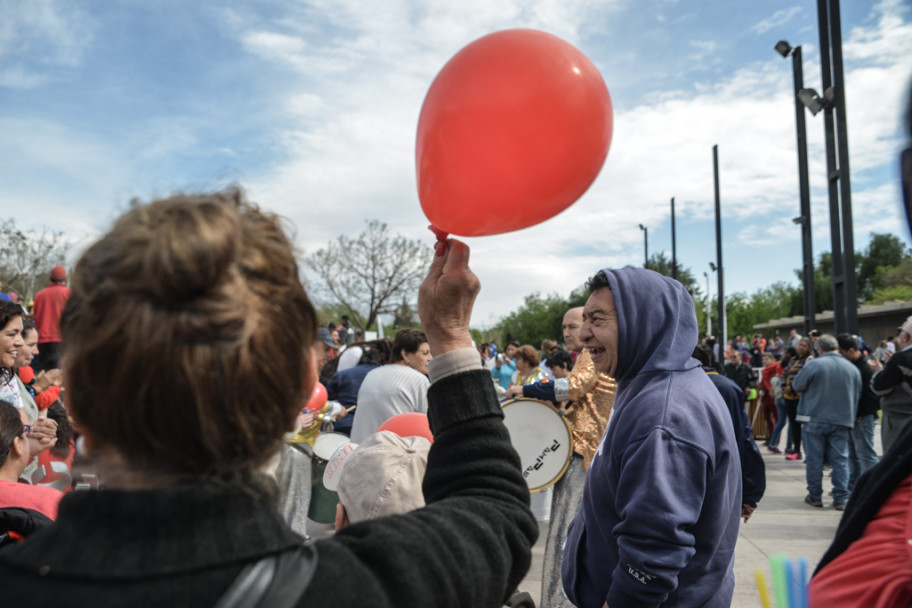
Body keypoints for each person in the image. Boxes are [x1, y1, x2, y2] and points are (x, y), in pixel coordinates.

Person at [0, 190, 538, 606]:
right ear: (302, 390)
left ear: (79, 399)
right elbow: (495, 507)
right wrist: (450, 336)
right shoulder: (365, 591)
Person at [561, 268, 741, 608]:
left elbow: (653, 555)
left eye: (597, 320)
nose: (584, 334)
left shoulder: (663, 414)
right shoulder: (649, 384)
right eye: (583, 320)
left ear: (642, 321)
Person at [505, 306, 616, 608]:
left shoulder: (591, 356)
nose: (568, 333)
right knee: (566, 535)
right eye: (564, 327)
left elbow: (573, 387)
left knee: (568, 538)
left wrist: (524, 390)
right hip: (578, 456)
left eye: (574, 325)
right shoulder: (586, 357)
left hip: (585, 459)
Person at [693, 345, 766, 522]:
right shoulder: (726, 386)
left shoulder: (702, 385)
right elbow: (744, 438)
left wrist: (749, 493)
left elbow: (741, 437)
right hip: (719, 480)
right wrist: (750, 493)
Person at [791, 334, 861, 510]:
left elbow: (797, 385)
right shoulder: (852, 368)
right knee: (840, 460)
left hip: (814, 417)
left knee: (814, 460)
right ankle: (841, 498)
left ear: (819, 348)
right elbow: (857, 393)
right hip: (842, 419)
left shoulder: (814, 364)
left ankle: (815, 496)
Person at [349, 328, 431, 443]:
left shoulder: (371, 374)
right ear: (405, 354)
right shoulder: (419, 380)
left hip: (358, 451)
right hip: (392, 455)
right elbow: (428, 426)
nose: (430, 358)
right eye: (425, 353)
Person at [836, 333, 881, 490]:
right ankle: (854, 486)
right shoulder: (854, 366)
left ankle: (873, 487)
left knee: (865, 455)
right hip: (853, 417)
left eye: (840, 352)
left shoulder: (864, 369)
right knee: (853, 456)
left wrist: (859, 415)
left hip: (862, 418)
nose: (839, 356)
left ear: (850, 350)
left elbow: (872, 397)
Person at [870, 315, 912, 453]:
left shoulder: (902, 359)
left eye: (900, 330)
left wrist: (878, 371)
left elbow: (878, 388)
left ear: (906, 337)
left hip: (899, 421)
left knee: (897, 464)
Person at [325, 348, 381, 435]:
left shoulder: (342, 375)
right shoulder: (383, 375)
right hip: (372, 427)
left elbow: (327, 397)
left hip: (343, 424)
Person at [30, 265, 70, 373]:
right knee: (61, 375)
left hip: (43, 340)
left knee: (43, 374)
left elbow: (35, 316)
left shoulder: (39, 295)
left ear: (50, 278)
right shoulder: (69, 293)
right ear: (65, 279)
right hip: (63, 339)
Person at [782, 337, 813, 460]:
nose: (801, 347)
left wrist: (793, 388)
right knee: (793, 424)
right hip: (788, 397)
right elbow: (784, 374)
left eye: (804, 345)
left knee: (805, 426)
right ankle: (796, 450)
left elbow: (805, 378)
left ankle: (809, 453)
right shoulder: (793, 360)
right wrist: (784, 386)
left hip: (801, 397)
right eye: (800, 345)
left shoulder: (809, 361)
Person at [757, 351, 782, 445]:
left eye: (767, 359)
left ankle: (775, 439)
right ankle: (771, 436)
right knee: (767, 418)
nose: (764, 361)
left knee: (776, 418)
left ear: (772, 360)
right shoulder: (766, 370)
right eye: (763, 359)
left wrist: (769, 389)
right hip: (766, 397)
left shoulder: (773, 368)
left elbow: (768, 384)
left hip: (772, 396)